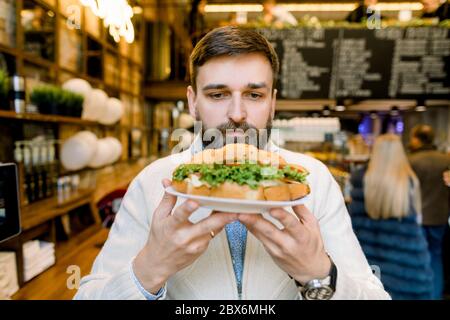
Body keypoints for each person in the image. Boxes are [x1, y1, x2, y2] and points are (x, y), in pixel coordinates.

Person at [74, 26, 390, 300]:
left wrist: (318, 274)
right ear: (192, 102)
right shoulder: (153, 182)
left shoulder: (314, 181)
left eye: (254, 95)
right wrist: (150, 268)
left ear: (273, 103)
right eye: (217, 94)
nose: (237, 113)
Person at [348, 134, 433, 299]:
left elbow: (352, 221)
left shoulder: (361, 180)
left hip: (367, 256)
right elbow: (418, 220)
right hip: (405, 261)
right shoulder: (409, 180)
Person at [408, 124, 450, 299]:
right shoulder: (446, 160)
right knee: (435, 257)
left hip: (417, 220)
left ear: (417, 139)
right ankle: (435, 295)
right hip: (440, 218)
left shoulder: (411, 161)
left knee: (415, 260)